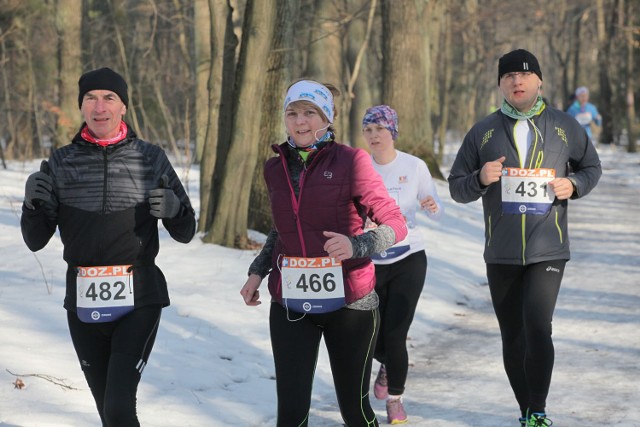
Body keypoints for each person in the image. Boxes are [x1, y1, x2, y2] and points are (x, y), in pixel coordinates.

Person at [21, 67, 196, 427]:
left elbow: (186, 231)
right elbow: (35, 240)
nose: (100, 107)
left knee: (118, 407)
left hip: (139, 297)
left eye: (109, 98)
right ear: (82, 107)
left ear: (123, 108)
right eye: (91, 98)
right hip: (83, 303)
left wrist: (175, 210)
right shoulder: (60, 163)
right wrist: (30, 206)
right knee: (109, 413)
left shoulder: (150, 158)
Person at [240, 80, 408, 426]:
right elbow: (282, 229)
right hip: (290, 301)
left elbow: (395, 223)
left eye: (310, 113)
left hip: (350, 302)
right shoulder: (274, 168)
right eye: (293, 113)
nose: (300, 122)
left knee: (355, 412)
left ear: (327, 118)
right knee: (290, 413)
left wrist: (356, 245)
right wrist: (258, 270)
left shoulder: (352, 161)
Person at [448, 49, 601, 427]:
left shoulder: (565, 126)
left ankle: (540, 408)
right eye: (509, 76)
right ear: (500, 84)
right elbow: (455, 187)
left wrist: (574, 184)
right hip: (500, 251)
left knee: (537, 324)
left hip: (548, 247)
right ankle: (526, 411)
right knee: (513, 336)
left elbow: (591, 167)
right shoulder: (483, 130)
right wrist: (480, 179)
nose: (517, 81)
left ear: (539, 81)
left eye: (525, 75)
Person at [361, 105, 444, 424]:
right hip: (370, 260)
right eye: (368, 130)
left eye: (380, 129)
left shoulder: (414, 166)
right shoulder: (359, 167)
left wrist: (431, 205)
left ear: (392, 132)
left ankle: (395, 399)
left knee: (396, 334)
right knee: (374, 335)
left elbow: (438, 212)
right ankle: (387, 365)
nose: (374, 136)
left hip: (409, 257)